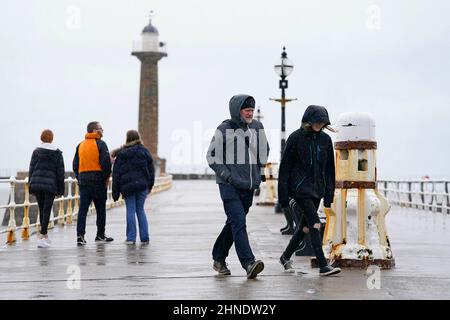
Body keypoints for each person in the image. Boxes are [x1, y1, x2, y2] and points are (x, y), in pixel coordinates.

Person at [206, 94, 269, 279]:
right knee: (239, 222)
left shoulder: (258, 127)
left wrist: (259, 170)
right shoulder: (224, 128)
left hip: (249, 186)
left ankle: (218, 257)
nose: (250, 113)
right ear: (237, 110)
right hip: (229, 186)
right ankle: (249, 263)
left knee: (234, 223)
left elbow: (265, 150)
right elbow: (211, 156)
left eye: (252, 110)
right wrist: (226, 175)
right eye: (247, 110)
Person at [278, 105, 341, 276]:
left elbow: (330, 170)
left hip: (317, 190)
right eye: (317, 122)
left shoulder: (326, 140)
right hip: (300, 190)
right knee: (315, 224)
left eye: (323, 123)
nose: (320, 125)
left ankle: (285, 257)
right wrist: (283, 197)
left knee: (304, 227)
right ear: (309, 121)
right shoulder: (295, 138)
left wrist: (328, 195)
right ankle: (323, 265)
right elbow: (285, 168)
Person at [73, 121, 113, 245]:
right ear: (95, 131)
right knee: (101, 209)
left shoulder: (80, 145)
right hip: (98, 181)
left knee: (83, 210)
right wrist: (105, 178)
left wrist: (80, 178)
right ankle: (100, 235)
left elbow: (75, 165)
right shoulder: (101, 144)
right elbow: (106, 164)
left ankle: (80, 236)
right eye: (101, 128)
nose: (103, 130)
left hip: (84, 181)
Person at [111, 130, 155, 245]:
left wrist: (115, 192)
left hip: (127, 187)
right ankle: (145, 238)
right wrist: (150, 185)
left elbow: (116, 173)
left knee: (130, 210)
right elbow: (151, 170)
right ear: (138, 138)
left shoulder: (121, 153)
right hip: (142, 186)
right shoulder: (144, 151)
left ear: (127, 139)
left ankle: (131, 238)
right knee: (140, 210)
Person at [29, 129, 65, 248]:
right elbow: (60, 173)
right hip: (50, 185)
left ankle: (45, 235)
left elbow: (32, 168)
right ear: (52, 138)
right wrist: (60, 190)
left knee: (41, 209)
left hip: (38, 183)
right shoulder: (57, 153)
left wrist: (31, 185)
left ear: (41, 138)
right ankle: (42, 235)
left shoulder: (36, 151)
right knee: (47, 210)